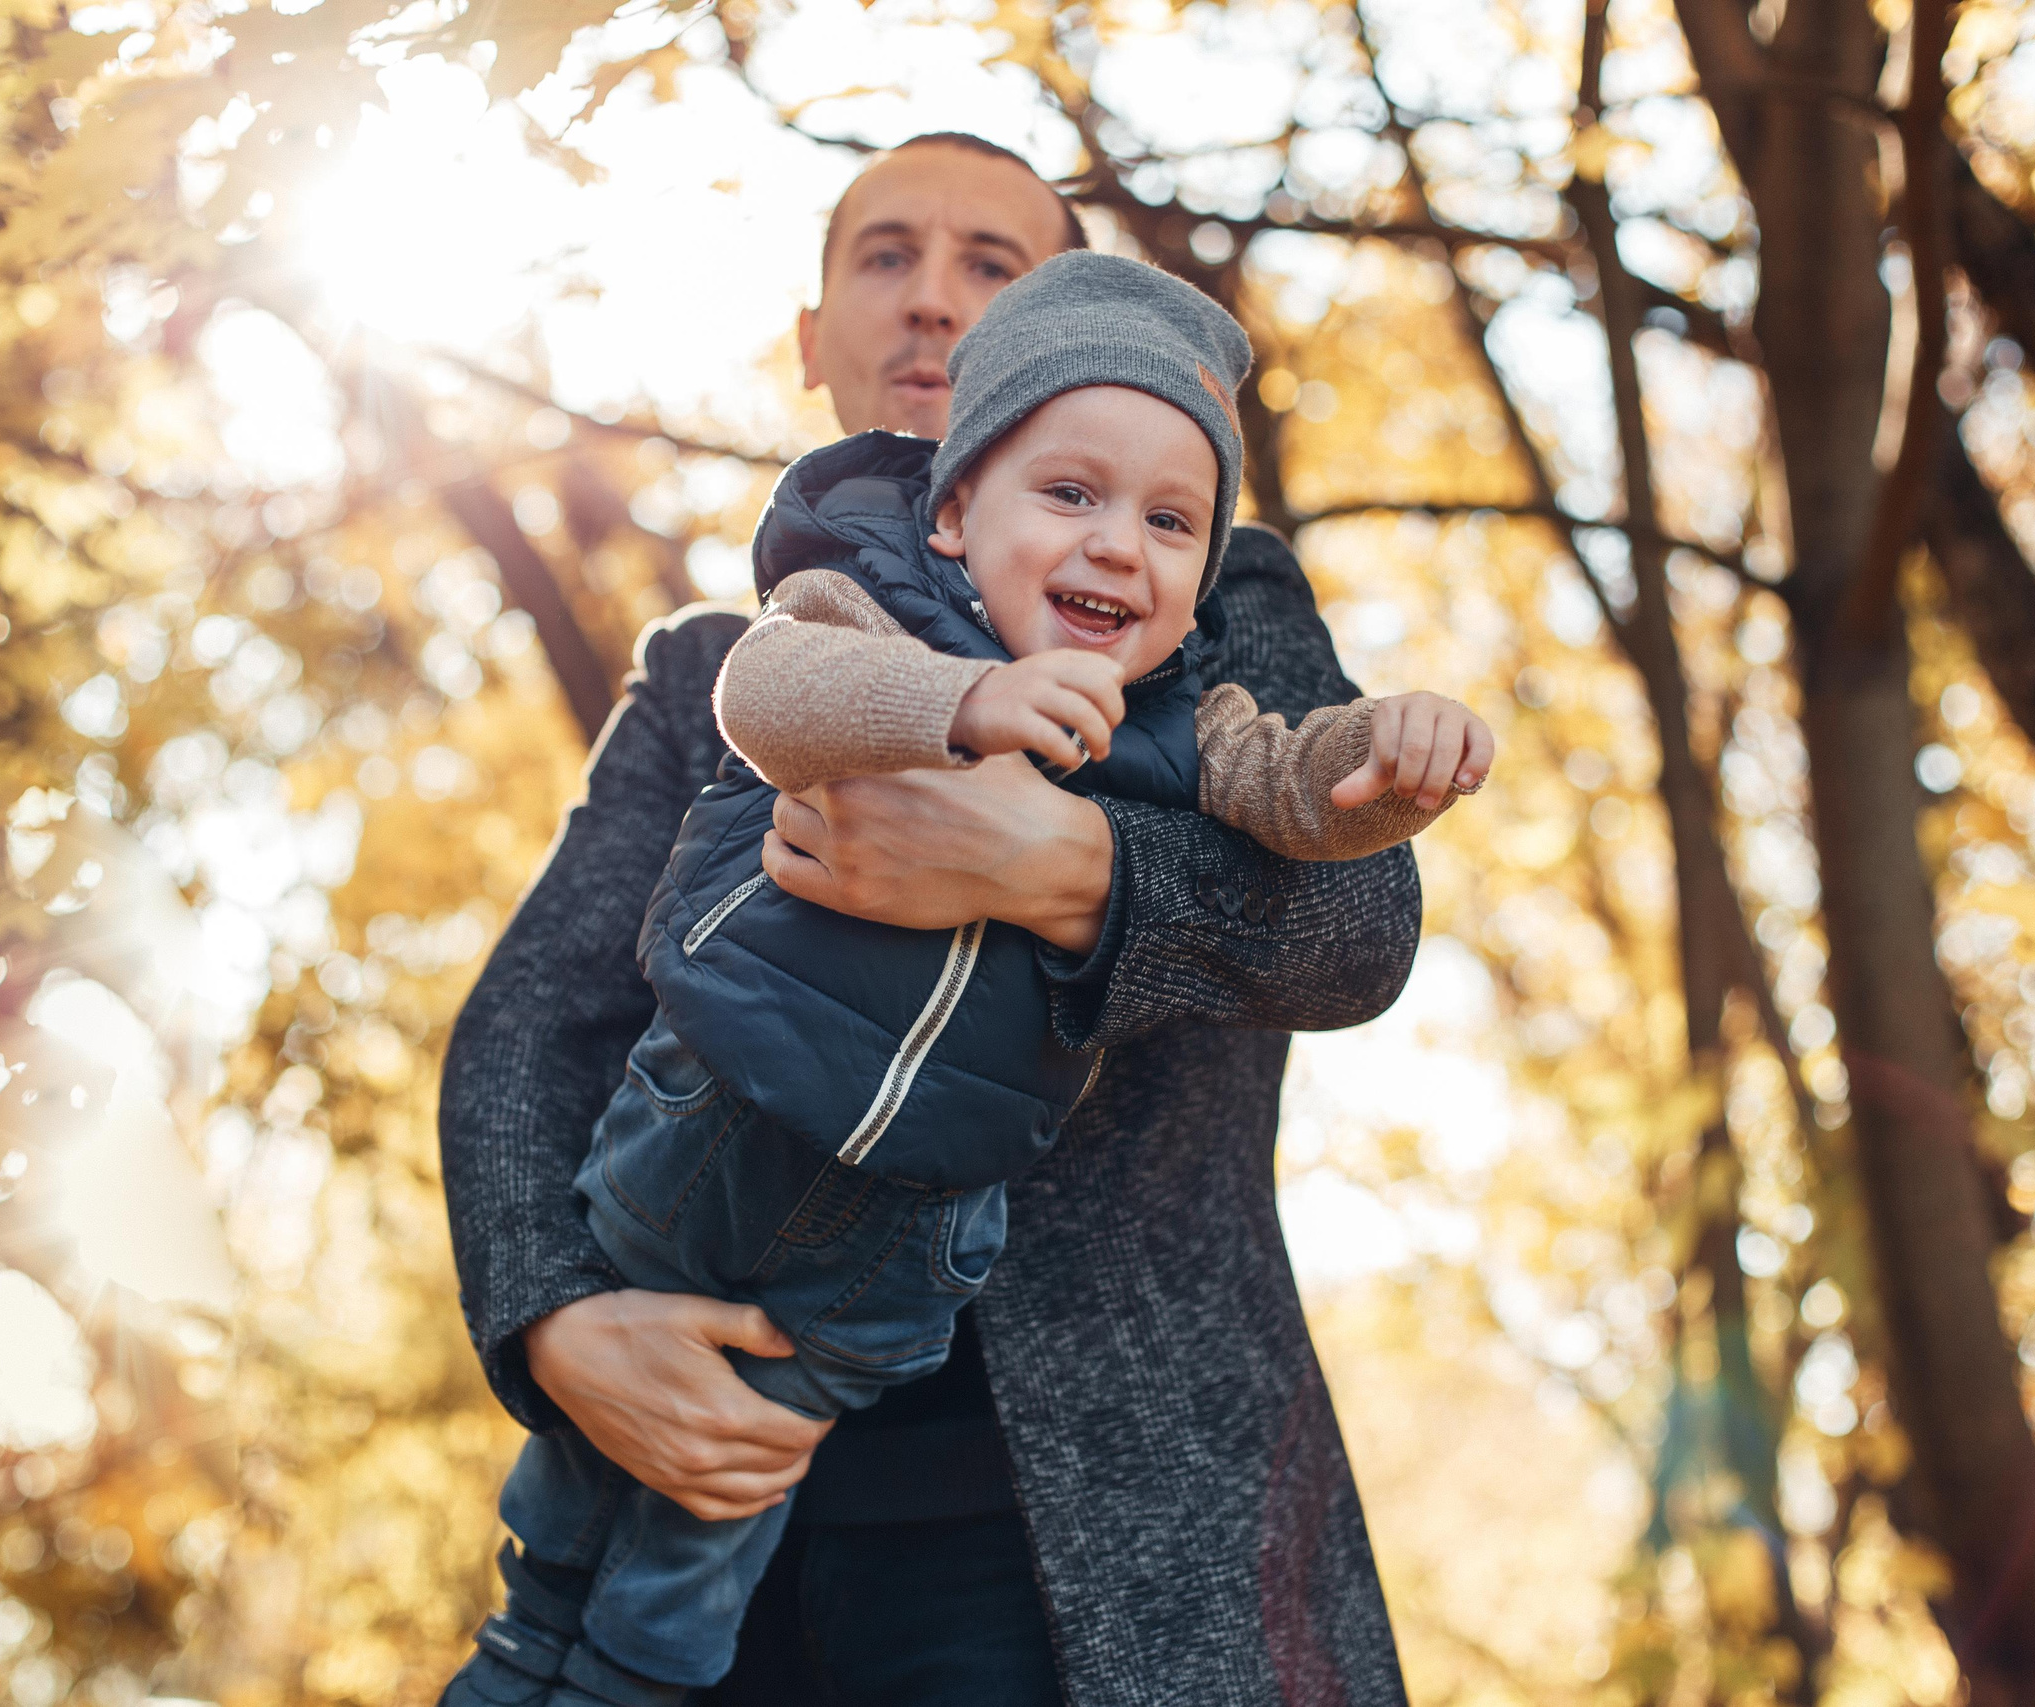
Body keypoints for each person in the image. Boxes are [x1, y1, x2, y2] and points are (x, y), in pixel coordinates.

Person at [438, 132, 1433, 1705]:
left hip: (1107, 1525)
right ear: (812, 335)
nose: (931, 300)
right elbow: (529, 1032)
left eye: (993, 265)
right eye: (886, 256)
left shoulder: (1198, 602)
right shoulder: (727, 669)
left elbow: (1361, 917)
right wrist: (554, 1322)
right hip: (710, 1476)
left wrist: (1064, 870)